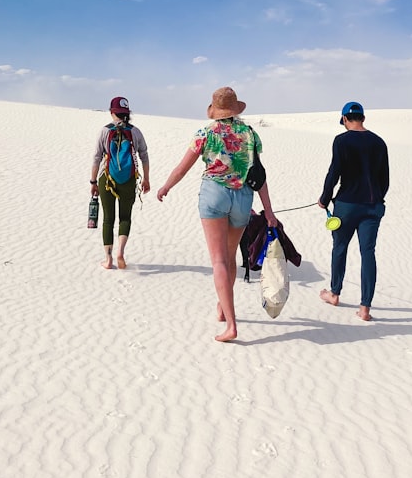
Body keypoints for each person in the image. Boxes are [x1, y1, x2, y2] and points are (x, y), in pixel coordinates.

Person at [157, 87, 277, 342]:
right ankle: (223, 308)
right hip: (243, 199)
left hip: (214, 195)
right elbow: (260, 175)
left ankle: (231, 324)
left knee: (219, 261)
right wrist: (268, 210)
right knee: (230, 257)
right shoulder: (249, 134)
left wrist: (166, 186)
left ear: (215, 109)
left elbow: (182, 168)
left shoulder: (205, 133)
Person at [317, 101, 389, 321]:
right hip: (372, 206)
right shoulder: (379, 142)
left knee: (340, 247)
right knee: (368, 253)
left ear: (345, 120)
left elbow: (334, 172)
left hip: (346, 205)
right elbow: (384, 179)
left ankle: (335, 293)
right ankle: (365, 307)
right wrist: (377, 198)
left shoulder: (341, 141)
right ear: (363, 118)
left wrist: (324, 198)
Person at [90, 96, 150, 270]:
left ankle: (108, 259)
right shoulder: (135, 131)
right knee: (125, 217)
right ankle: (120, 252)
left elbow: (96, 157)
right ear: (127, 113)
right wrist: (146, 178)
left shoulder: (104, 131)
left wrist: (93, 181)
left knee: (108, 219)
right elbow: (144, 155)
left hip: (106, 178)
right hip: (129, 179)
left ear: (112, 112)